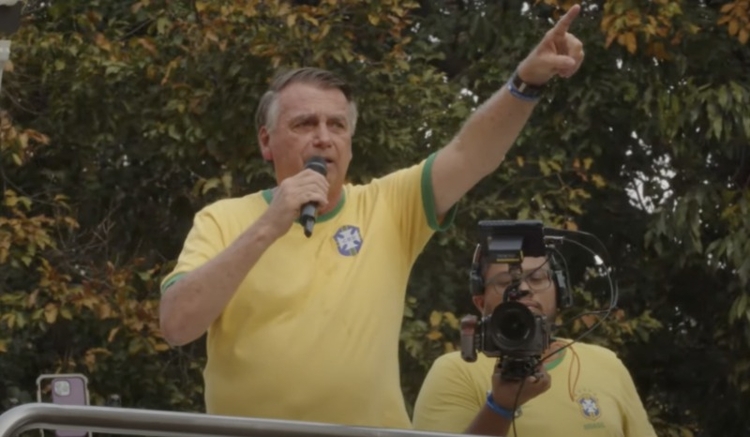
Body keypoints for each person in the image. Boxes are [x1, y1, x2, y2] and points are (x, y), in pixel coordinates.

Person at [158, 4, 585, 429]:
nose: (323, 138)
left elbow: (473, 153)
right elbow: (176, 325)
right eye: (304, 124)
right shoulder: (223, 219)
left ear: (350, 140)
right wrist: (270, 224)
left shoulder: (390, 206)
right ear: (266, 142)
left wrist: (527, 80)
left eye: (337, 125)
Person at [411, 243, 657, 436]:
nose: (523, 289)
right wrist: (500, 407)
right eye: (506, 282)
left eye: (537, 278)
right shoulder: (455, 371)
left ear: (560, 293)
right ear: (480, 302)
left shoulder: (607, 365)